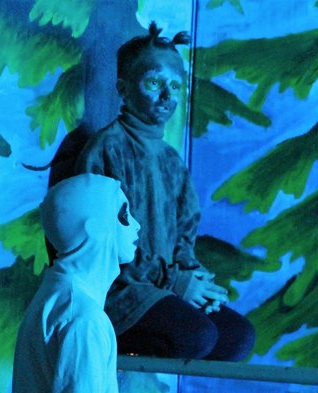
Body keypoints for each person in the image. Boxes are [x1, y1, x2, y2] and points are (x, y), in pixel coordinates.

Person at [58, 22, 255, 361]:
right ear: (124, 89)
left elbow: (184, 239)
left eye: (175, 86)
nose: (167, 96)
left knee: (238, 338)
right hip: (118, 291)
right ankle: (105, 334)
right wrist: (175, 282)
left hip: (162, 287)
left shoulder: (172, 162)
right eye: (153, 83)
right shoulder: (105, 151)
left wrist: (195, 280)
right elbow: (99, 249)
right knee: (198, 336)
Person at [12, 173, 140, 393]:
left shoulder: (54, 298)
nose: (136, 225)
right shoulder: (84, 320)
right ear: (94, 227)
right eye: (124, 215)